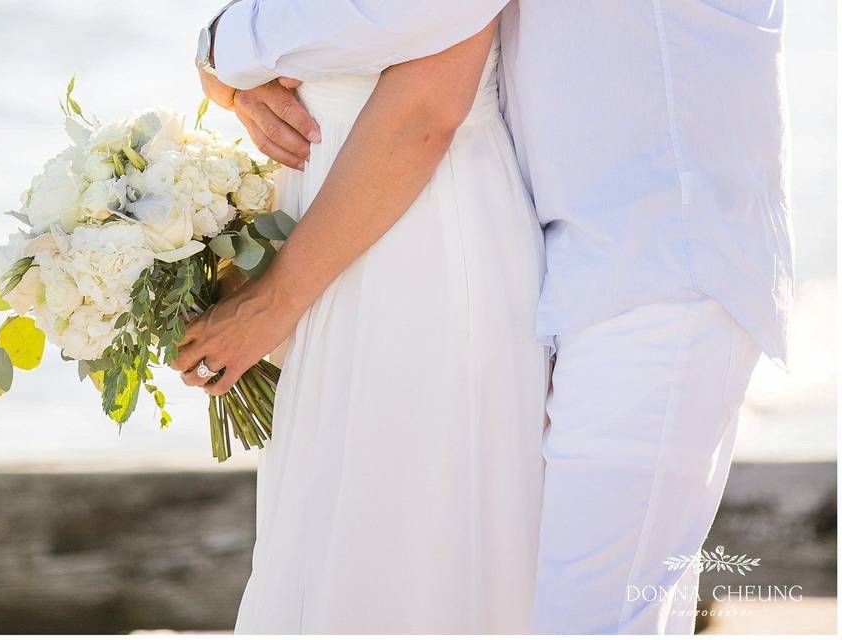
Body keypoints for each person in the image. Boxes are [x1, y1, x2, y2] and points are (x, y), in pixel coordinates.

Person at [179, 0, 793, 634]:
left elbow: (430, 35)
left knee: (589, 620)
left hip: (660, 265)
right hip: (565, 261)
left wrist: (224, 47)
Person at [173, 16, 547, 634]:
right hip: (324, 220)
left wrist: (273, 303)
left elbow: (424, 110)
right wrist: (228, 76)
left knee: (409, 549)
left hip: (424, 229)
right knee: (326, 537)